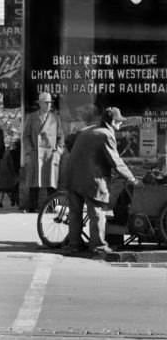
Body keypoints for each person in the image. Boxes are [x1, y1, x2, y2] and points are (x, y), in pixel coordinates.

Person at [63, 107, 137, 255]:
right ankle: (98, 246)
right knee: (97, 212)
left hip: (72, 173)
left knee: (75, 212)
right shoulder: (106, 135)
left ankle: (74, 245)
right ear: (112, 122)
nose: (121, 124)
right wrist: (132, 178)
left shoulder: (90, 129)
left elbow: (69, 140)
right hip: (90, 177)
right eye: (119, 121)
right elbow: (115, 161)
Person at [21, 92, 64, 212]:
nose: (48, 105)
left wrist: (58, 151)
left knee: (52, 183)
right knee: (34, 182)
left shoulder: (55, 118)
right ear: (40, 104)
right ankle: (32, 207)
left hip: (51, 154)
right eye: (46, 103)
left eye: (49, 103)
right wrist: (29, 151)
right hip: (36, 153)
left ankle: (54, 207)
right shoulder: (32, 117)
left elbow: (61, 137)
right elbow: (26, 136)